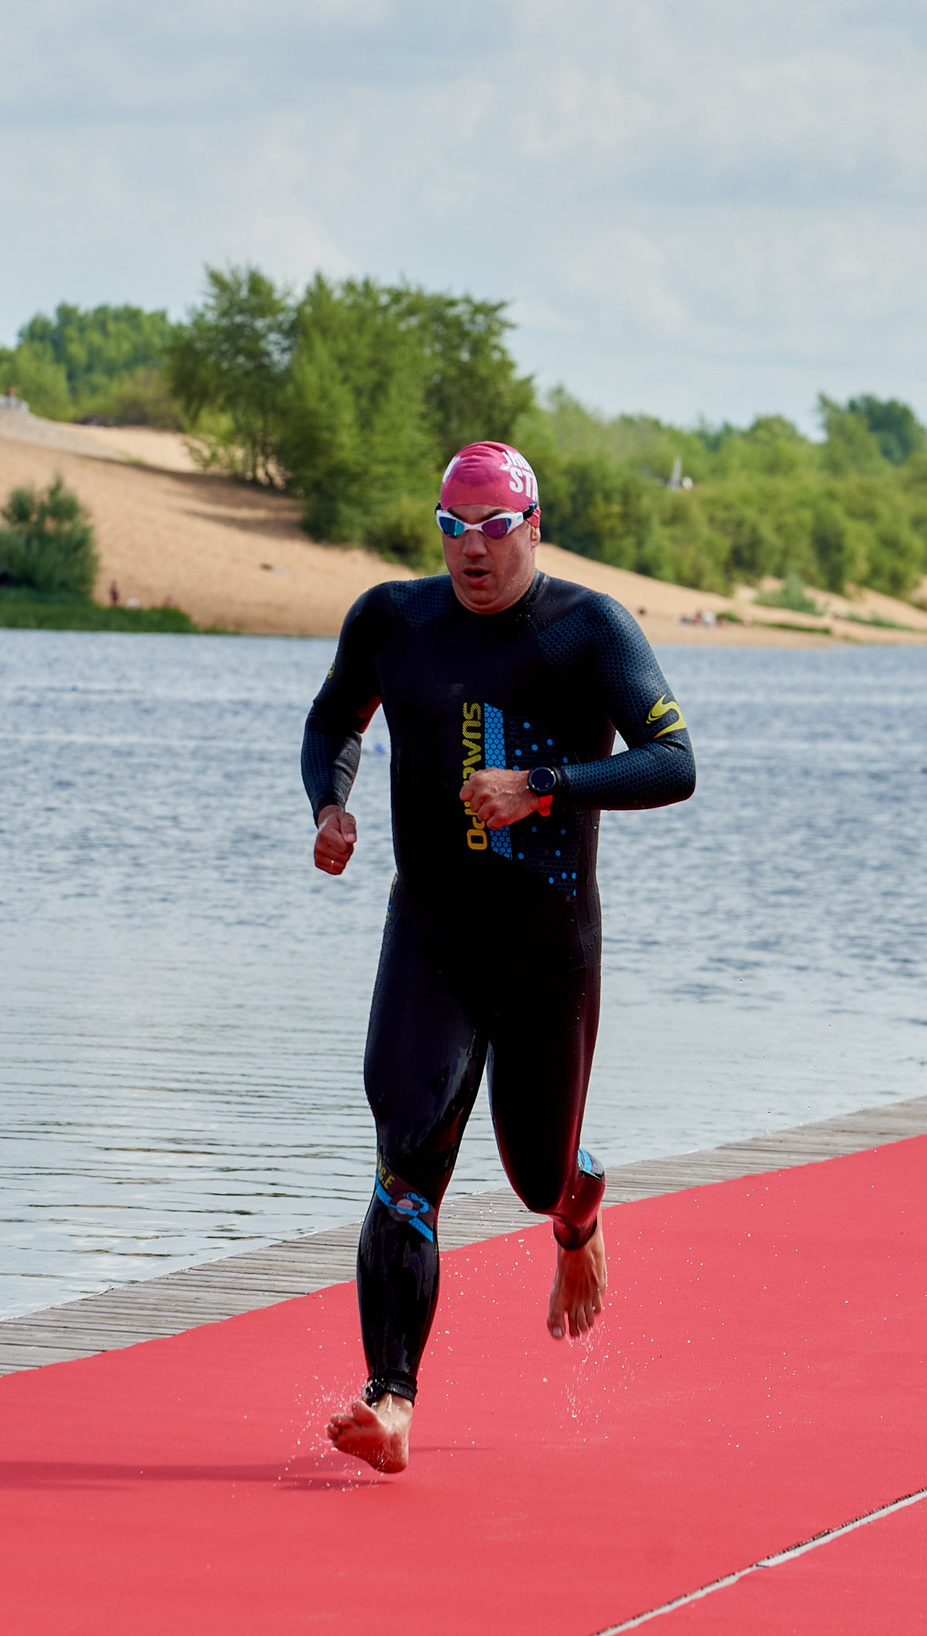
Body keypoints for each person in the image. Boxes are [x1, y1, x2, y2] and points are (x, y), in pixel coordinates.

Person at [302, 441, 696, 1474]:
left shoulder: (586, 629)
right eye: (451, 525)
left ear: (532, 526)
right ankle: (389, 1397)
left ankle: (579, 1205)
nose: (470, 549)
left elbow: (672, 761)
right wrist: (330, 804)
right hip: (430, 935)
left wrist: (545, 783)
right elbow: (333, 717)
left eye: (491, 527)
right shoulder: (394, 618)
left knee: (533, 1174)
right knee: (406, 1147)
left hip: (546, 952)